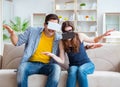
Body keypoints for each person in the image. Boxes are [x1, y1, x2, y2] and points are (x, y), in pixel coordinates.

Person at [42, 21, 114, 87]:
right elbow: (62, 60)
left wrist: (103, 35)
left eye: (70, 31)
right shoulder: (62, 41)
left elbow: (94, 40)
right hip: (74, 65)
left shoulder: (79, 36)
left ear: (72, 30)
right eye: (66, 32)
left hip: (87, 64)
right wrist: (53, 55)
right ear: (63, 32)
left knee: (81, 70)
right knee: (72, 70)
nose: (68, 34)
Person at [3, 14, 64, 87]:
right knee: (22, 67)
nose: (52, 29)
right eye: (50, 25)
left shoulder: (59, 39)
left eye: (55, 26)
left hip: (48, 65)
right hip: (31, 64)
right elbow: (17, 42)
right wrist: (12, 33)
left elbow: (70, 49)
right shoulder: (32, 31)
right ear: (44, 24)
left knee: (56, 68)